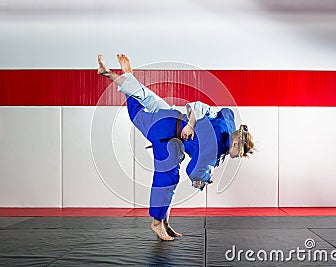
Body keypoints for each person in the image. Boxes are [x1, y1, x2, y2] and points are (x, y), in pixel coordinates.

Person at [97, 54, 255, 241]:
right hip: (163, 131)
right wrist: (205, 178)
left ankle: (115, 74)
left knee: (144, 95)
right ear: (236, 143)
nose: (238, 157)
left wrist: (191, 124)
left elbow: (209, 111)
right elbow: (194, 171)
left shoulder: (227, 124)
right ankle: (157, 223)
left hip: (173, 116)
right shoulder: (212, 151)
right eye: (241, 153)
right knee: (167, 175)